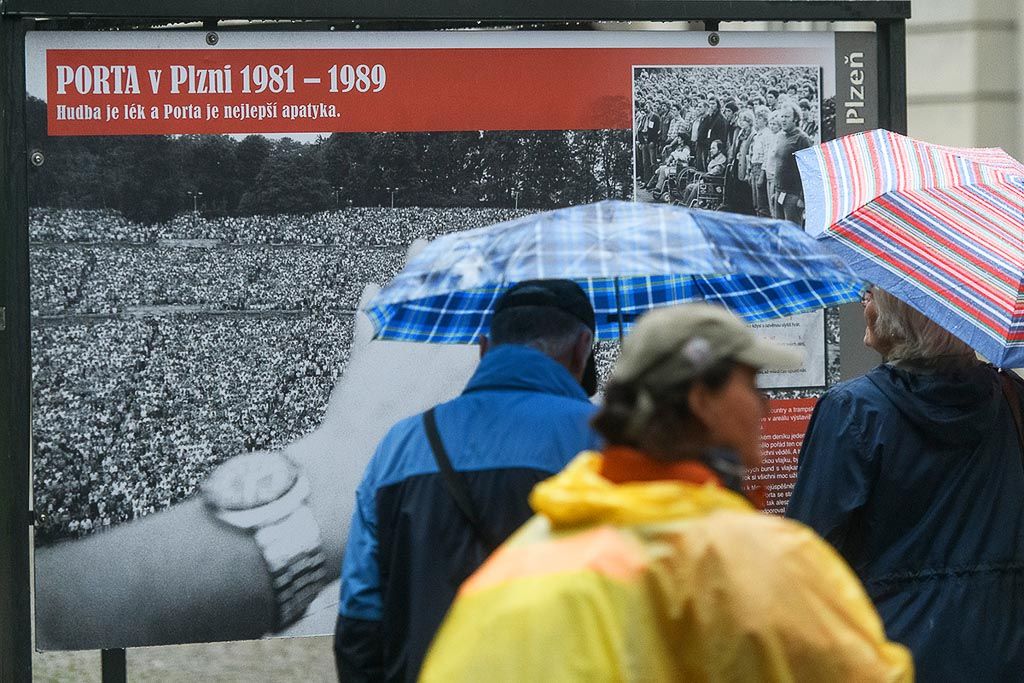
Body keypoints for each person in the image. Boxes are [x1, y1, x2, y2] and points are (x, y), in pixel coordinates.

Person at [420, 303, 914, 682]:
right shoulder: (761, 560)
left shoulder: (513, 564)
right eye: (752, 384)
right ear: (702, 400)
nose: (763, 405)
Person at [335, 279, 602, 682]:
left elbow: (359, 621)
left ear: (483, 348)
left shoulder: (402, 445)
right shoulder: (614, 446)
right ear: (583, 348)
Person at [786, 286, 1024, 682]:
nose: (864, 300)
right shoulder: (1012, 397)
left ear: (903, 315)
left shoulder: (851, 411)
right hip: (1006, 654)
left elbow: (805, 557)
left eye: (874, 291)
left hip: (894, 659)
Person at [771, 101, 811, 224]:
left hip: (793, 195)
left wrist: (803, 198)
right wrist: (774, 192)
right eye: (782, 116)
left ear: (795, 119)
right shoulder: (780, 137)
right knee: (780, 231)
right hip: (779, 192)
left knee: (792, 233)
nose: (783, 120)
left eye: (787, 117)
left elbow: (809, 171)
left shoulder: (802, 139)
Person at [682, 139, 727, 207]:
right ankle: (684, 204)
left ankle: (687, 206)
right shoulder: (715, 158)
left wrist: (702, 174)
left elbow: (714, 173)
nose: (711, 150)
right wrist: (697, 172)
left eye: (713, 148)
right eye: (711, 148)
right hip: (708, 182)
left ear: (719, 150)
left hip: (715, 185)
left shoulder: (722, 160)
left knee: (697, 187)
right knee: (689, 187)